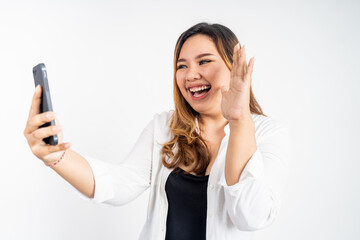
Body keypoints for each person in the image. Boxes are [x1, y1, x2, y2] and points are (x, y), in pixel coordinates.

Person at [24, 22, 290, 240]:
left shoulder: (268, 133)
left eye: (204, 61)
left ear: (234, 67)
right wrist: (55, 156)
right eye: (182, 65)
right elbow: (118, 185)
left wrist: (239, 120)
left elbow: (251, 217)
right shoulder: (165, 127)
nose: (190, 75)